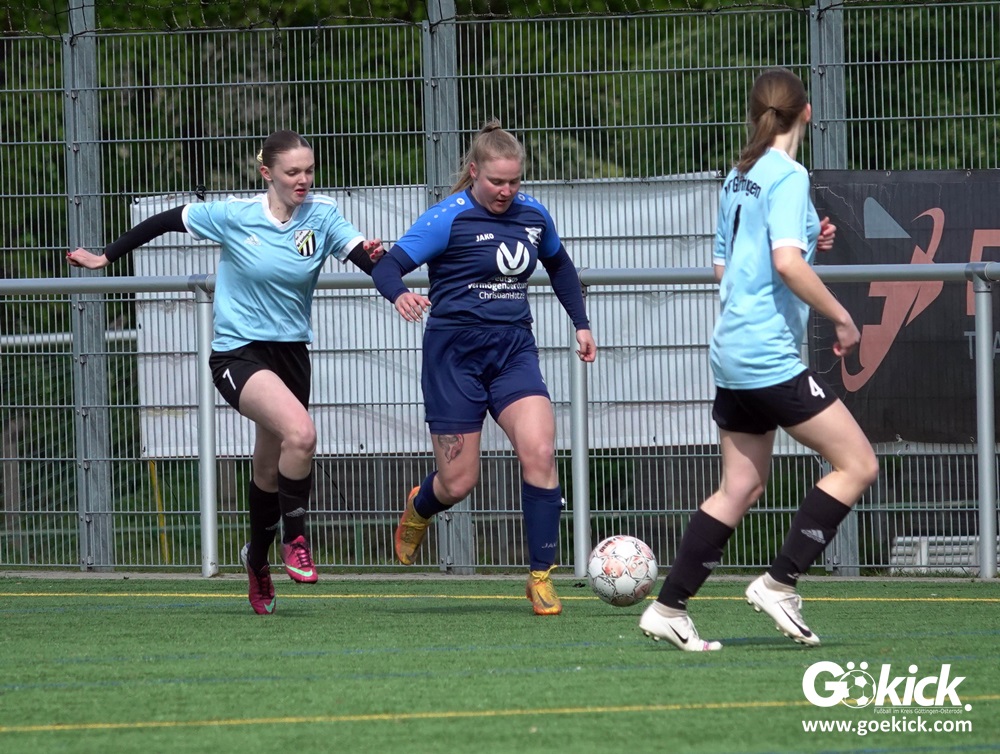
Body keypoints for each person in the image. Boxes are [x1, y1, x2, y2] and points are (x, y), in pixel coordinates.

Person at [67, 129, 384, 616]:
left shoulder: (322, 215)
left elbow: (365, 256)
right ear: (267, 173)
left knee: (268, 468)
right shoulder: (236, 214)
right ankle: (296, 539)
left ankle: (256, 559)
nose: (303, 179)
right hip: (238, 352)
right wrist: (106, 255)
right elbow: (168, 219)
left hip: (291, 356)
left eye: (309, 170)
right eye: (292, 172)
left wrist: (387, 269)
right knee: (302, 434)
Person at [639, 68, 879, 650]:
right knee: (857, 465)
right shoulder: (790, 174)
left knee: (741, 485)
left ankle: (668, 608)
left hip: (730, 351)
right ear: (808, 112)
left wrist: (806, 235)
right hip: (767, 355)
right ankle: (779, 583)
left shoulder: (740, 174)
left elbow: (728, 265)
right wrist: (843, 317)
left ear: (756, 113)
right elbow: (785, 263)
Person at [371, 120, 597, 615]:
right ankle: (421, 505)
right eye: (497, 181)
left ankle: (540, 577)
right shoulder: (446, 218)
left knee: (540, 451)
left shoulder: (533, 215)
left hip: (514, 352)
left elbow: (559, 265)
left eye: (514, 181)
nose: (506, 191)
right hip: (454, 357)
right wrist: (400, 294)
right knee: (459, 483)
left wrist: (580, 323)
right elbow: (388, 265)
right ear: (474, 172)